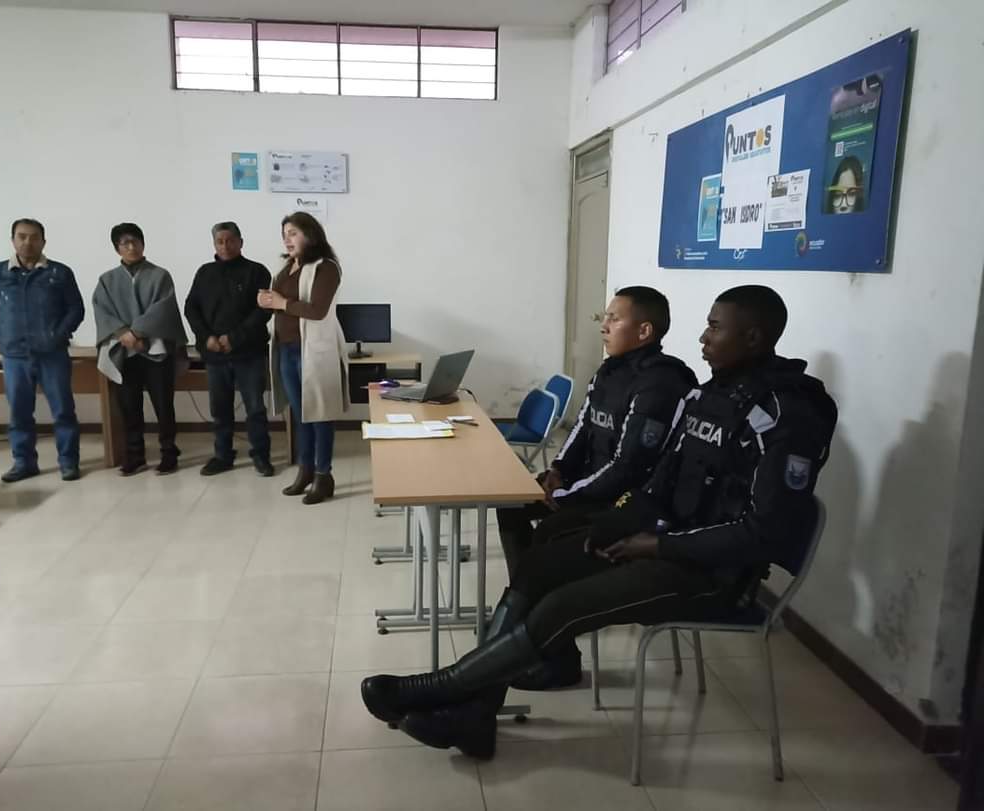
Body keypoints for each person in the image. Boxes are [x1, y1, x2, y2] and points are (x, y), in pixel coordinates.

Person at [361, 285, 838, 761]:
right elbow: (659, 484)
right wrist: (616, 526)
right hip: (663, 541)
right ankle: (476, 715)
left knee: (562, 605)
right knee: (543, 566)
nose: (702, 337)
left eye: (715, 327)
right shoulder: (711, 395)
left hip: (712, 574)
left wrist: (655, 546)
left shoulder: (788, 414)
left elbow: (763, 532)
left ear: (752, 337)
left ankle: (447, 689)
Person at [497, 286, 697, 689]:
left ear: (644, 331)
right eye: (604, 317)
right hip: (588, 488)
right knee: (511, 504)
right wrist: (557, 471)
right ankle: (526, 615)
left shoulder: (660, 383)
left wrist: (566, 495)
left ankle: (555, 652)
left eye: (613, 318)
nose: (603, 326)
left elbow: (627, 466)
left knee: (552, 532)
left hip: (621, 502)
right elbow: (582, 429)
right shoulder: (609, 371)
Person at [0, 218, 85, 483]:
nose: (28, 242)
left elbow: (76, 309)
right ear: (13, 240)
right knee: (19, 412)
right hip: (15, 356)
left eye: (34, 237)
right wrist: (1, 335)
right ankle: (24, 462)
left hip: (52, 354)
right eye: (22, 236)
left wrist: (58, 335)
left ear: (43, 241)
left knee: (63, 410)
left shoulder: (59, 272)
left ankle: (68, 462)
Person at [258, 212, 350, 505]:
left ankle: (324, 475)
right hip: (285, 348)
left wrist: (282, 302)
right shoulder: (286, 268)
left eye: (293, 233)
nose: (287, 239)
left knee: (320, 415)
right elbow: (281, 305)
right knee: (301, 416)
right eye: (284, 234)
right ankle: (305, 470)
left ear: (310, 235)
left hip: (314, 351)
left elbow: (317, 311)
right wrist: (267, 302)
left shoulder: (326, 268)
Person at [93, 223, 189, 476]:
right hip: (124, 352)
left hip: (156, 350)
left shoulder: (160, 275)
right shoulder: (107, 280)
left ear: (143, 244)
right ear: (117, 248)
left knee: (163, 405)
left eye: (135, 241)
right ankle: (135, 455)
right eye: (125, 243)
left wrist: (136, 333)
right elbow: (103, 311)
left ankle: (169, 453)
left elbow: (163, 308)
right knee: (129, 406)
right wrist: (123, 334)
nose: (131, 247)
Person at [184, 222, 274, 477]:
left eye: (230, 240)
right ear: (214, 244)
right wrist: (207, 338)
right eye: (219, 241)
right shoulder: (205, 272)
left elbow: (264, 310)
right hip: (215, 354)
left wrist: (233, 338)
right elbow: (191, 308)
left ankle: (261, 456)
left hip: (249, 353)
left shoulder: (257, 271)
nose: (225, 246)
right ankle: (223, 456)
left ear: (240, 242)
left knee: (255, 408)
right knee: (220, 410)